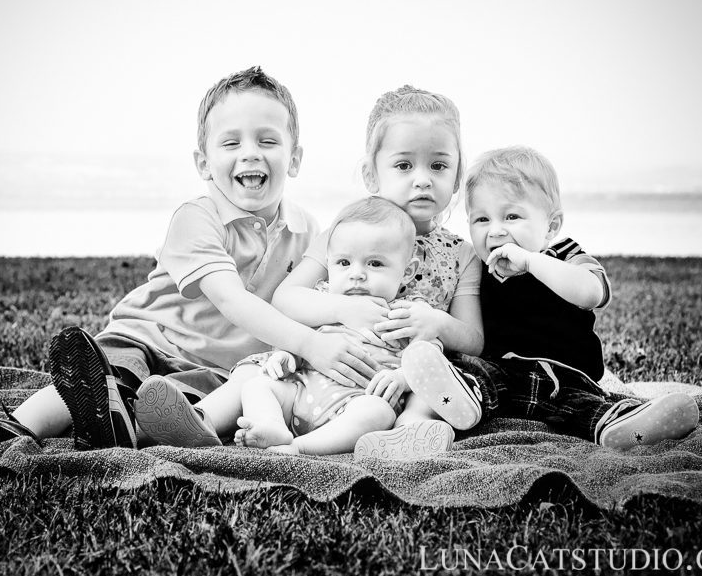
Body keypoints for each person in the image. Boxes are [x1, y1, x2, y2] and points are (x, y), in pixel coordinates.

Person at [0, 66, 381, 450]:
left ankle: (122, 426)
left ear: (294, 159)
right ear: (204, 162)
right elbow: (232, 300)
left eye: (267, 141)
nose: (251, 153)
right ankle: (21, 425)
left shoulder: (308, 230)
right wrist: (310, 344)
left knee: (194, 404)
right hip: (152, 336)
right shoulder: (198, 218)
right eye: (231, 142)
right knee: (114, 371)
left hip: (220, 366)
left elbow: (321, 295)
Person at [133, 85, 488, 457]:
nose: (422, 179)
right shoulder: (344, 231)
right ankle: (199, 421)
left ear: (457, 175)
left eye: (439, 165)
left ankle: (404, 434)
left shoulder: (461, 254)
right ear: (371, 174)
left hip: (389, 380)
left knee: (430, 381)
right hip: (317, 364)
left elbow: (475, 340)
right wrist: (338, 311)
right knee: (254, 376)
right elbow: (286, 297)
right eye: (403, 165)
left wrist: (437, 324)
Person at [362, 145, 699, 454]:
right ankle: (454, 407)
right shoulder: (478, 269)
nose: (495, 230)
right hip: (502, 375)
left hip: (565, 373)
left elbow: (591, 293)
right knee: (474, 376)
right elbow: (465, 337)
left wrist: (531, 262)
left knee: (581, 406)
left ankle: (624, 425)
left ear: (551, 226)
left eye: (511, 217)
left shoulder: (563, 255)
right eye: (482, 219)